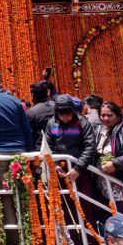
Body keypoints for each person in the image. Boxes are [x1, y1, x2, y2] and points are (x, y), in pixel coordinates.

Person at [45, 94, 96, 225]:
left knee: (85, 206)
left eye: (68, 114)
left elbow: (90, 146)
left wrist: (77, 168)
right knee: (65, 208)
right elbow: (48, 147)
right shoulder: (51, 123)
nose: (65, 118)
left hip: (80, 170)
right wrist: (55, 165)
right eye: (62, 115)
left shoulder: (82, 122)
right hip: (60, 172)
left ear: (73, 111)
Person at [25, 81, 55, 149]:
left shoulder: (30, 113)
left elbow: (27, 134)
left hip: (40, 151)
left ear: (32, 95)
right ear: (47, 93)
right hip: (58, 149)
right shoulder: (57, 108)